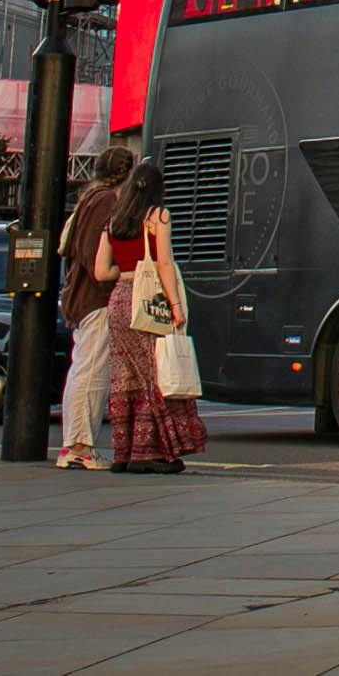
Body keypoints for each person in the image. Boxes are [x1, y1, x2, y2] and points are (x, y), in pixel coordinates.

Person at [94, 159, 206, 471]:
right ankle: (149, 453)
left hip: (119, 300)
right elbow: (165, 264)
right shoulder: (158, 216)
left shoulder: (113, 222)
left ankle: (123, 452)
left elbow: (101, 271)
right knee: (154, 375)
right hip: (147, 302)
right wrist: (176, 306)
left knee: (125, 376)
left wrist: (126, 268)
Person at [54, 144, 137, 471]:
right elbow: (94, 256)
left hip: (82, 297)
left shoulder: (89, 198)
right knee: (92, 370)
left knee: (84, 367)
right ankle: (79, 446)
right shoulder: (106, 202)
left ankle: (75, 444)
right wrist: (120, 272)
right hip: (95, 298)